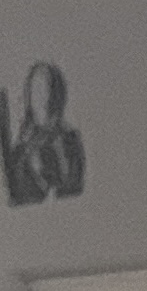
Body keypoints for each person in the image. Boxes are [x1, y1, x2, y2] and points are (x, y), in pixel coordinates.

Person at [1, 61, 87, 205]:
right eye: (36, 92)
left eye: (46, 91)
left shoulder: (67, 140)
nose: (41, 99)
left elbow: (67, 193)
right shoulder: (23, 145)